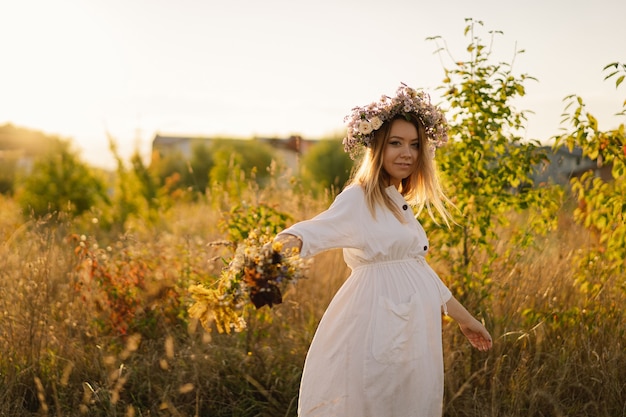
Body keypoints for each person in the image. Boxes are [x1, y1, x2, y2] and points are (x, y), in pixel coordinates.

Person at [273, 84, 493, 417]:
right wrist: (273, 251)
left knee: (408, 403)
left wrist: (466, 320)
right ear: (376, 147)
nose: (407, 153)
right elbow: (313, 231)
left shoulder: (397, 202)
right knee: (373, 403)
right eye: (395, 143)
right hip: (377, 327)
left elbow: (419, 272)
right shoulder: (359, 198)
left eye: (414, 145)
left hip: (411, 331)